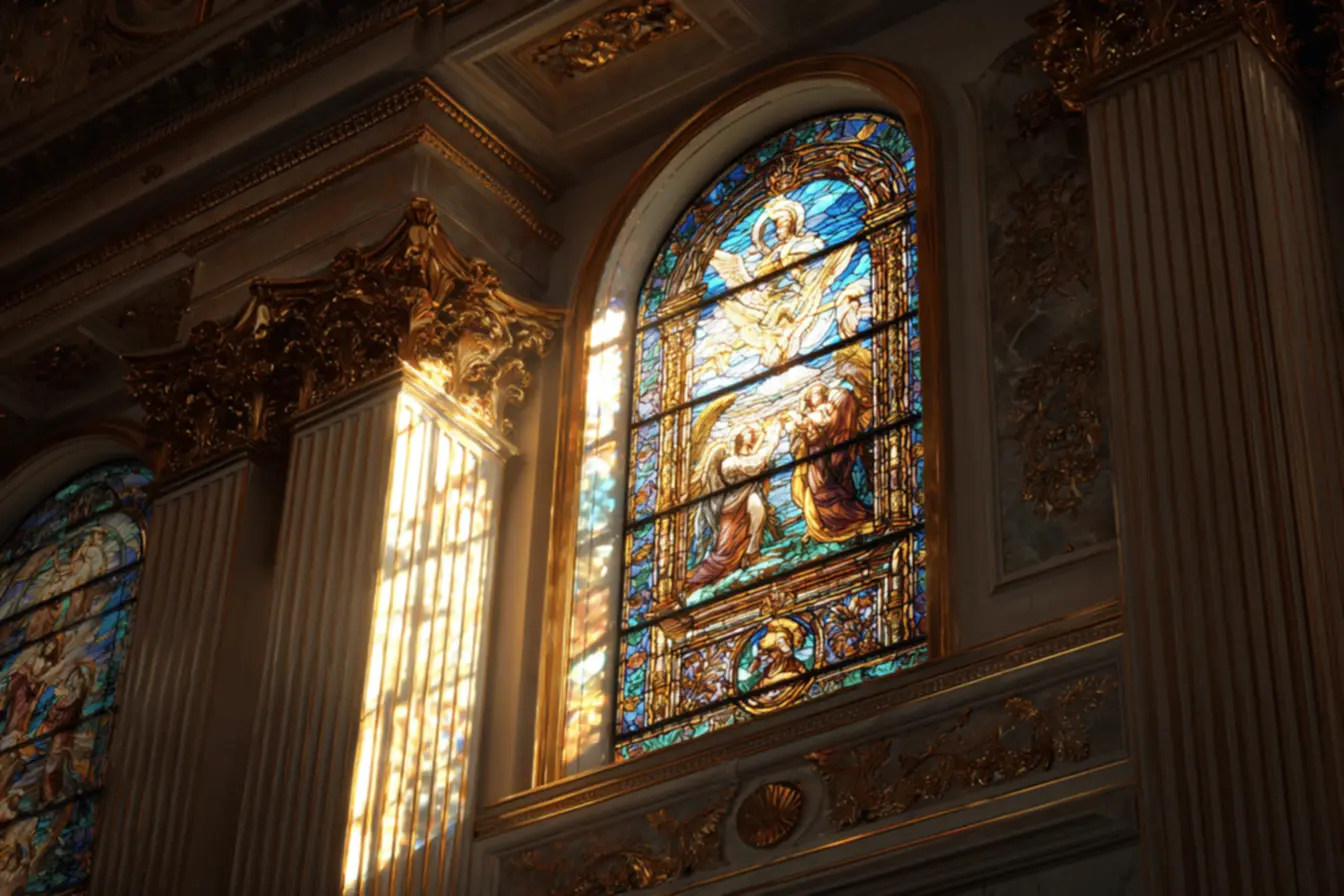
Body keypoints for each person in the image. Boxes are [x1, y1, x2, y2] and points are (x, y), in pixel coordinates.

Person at [687, 420, 784, 587]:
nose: (752, 434)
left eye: (753, 433)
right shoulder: (730, 462)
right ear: (738, 438)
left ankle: (752, 555)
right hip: (732, 509)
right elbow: (758, 463)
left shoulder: (748, 457)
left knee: (757, 511)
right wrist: (774, 434)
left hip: (747, 500)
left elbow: (759, 461)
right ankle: (698, 581)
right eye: (748, 432)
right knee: (724, 553)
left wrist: (765, 435)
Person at [785, 383, 874, 543]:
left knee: (825, 486)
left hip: (825, 453)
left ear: (824, 395)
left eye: (817, 394)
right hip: (813, 455)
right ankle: (823, 519)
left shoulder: (827, 408)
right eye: (812, 395)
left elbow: (826, 423)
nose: (814, 398)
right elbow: (800, 439)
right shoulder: (811, 413)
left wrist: (802, 421)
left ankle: (846, 518)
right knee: (815, 486)